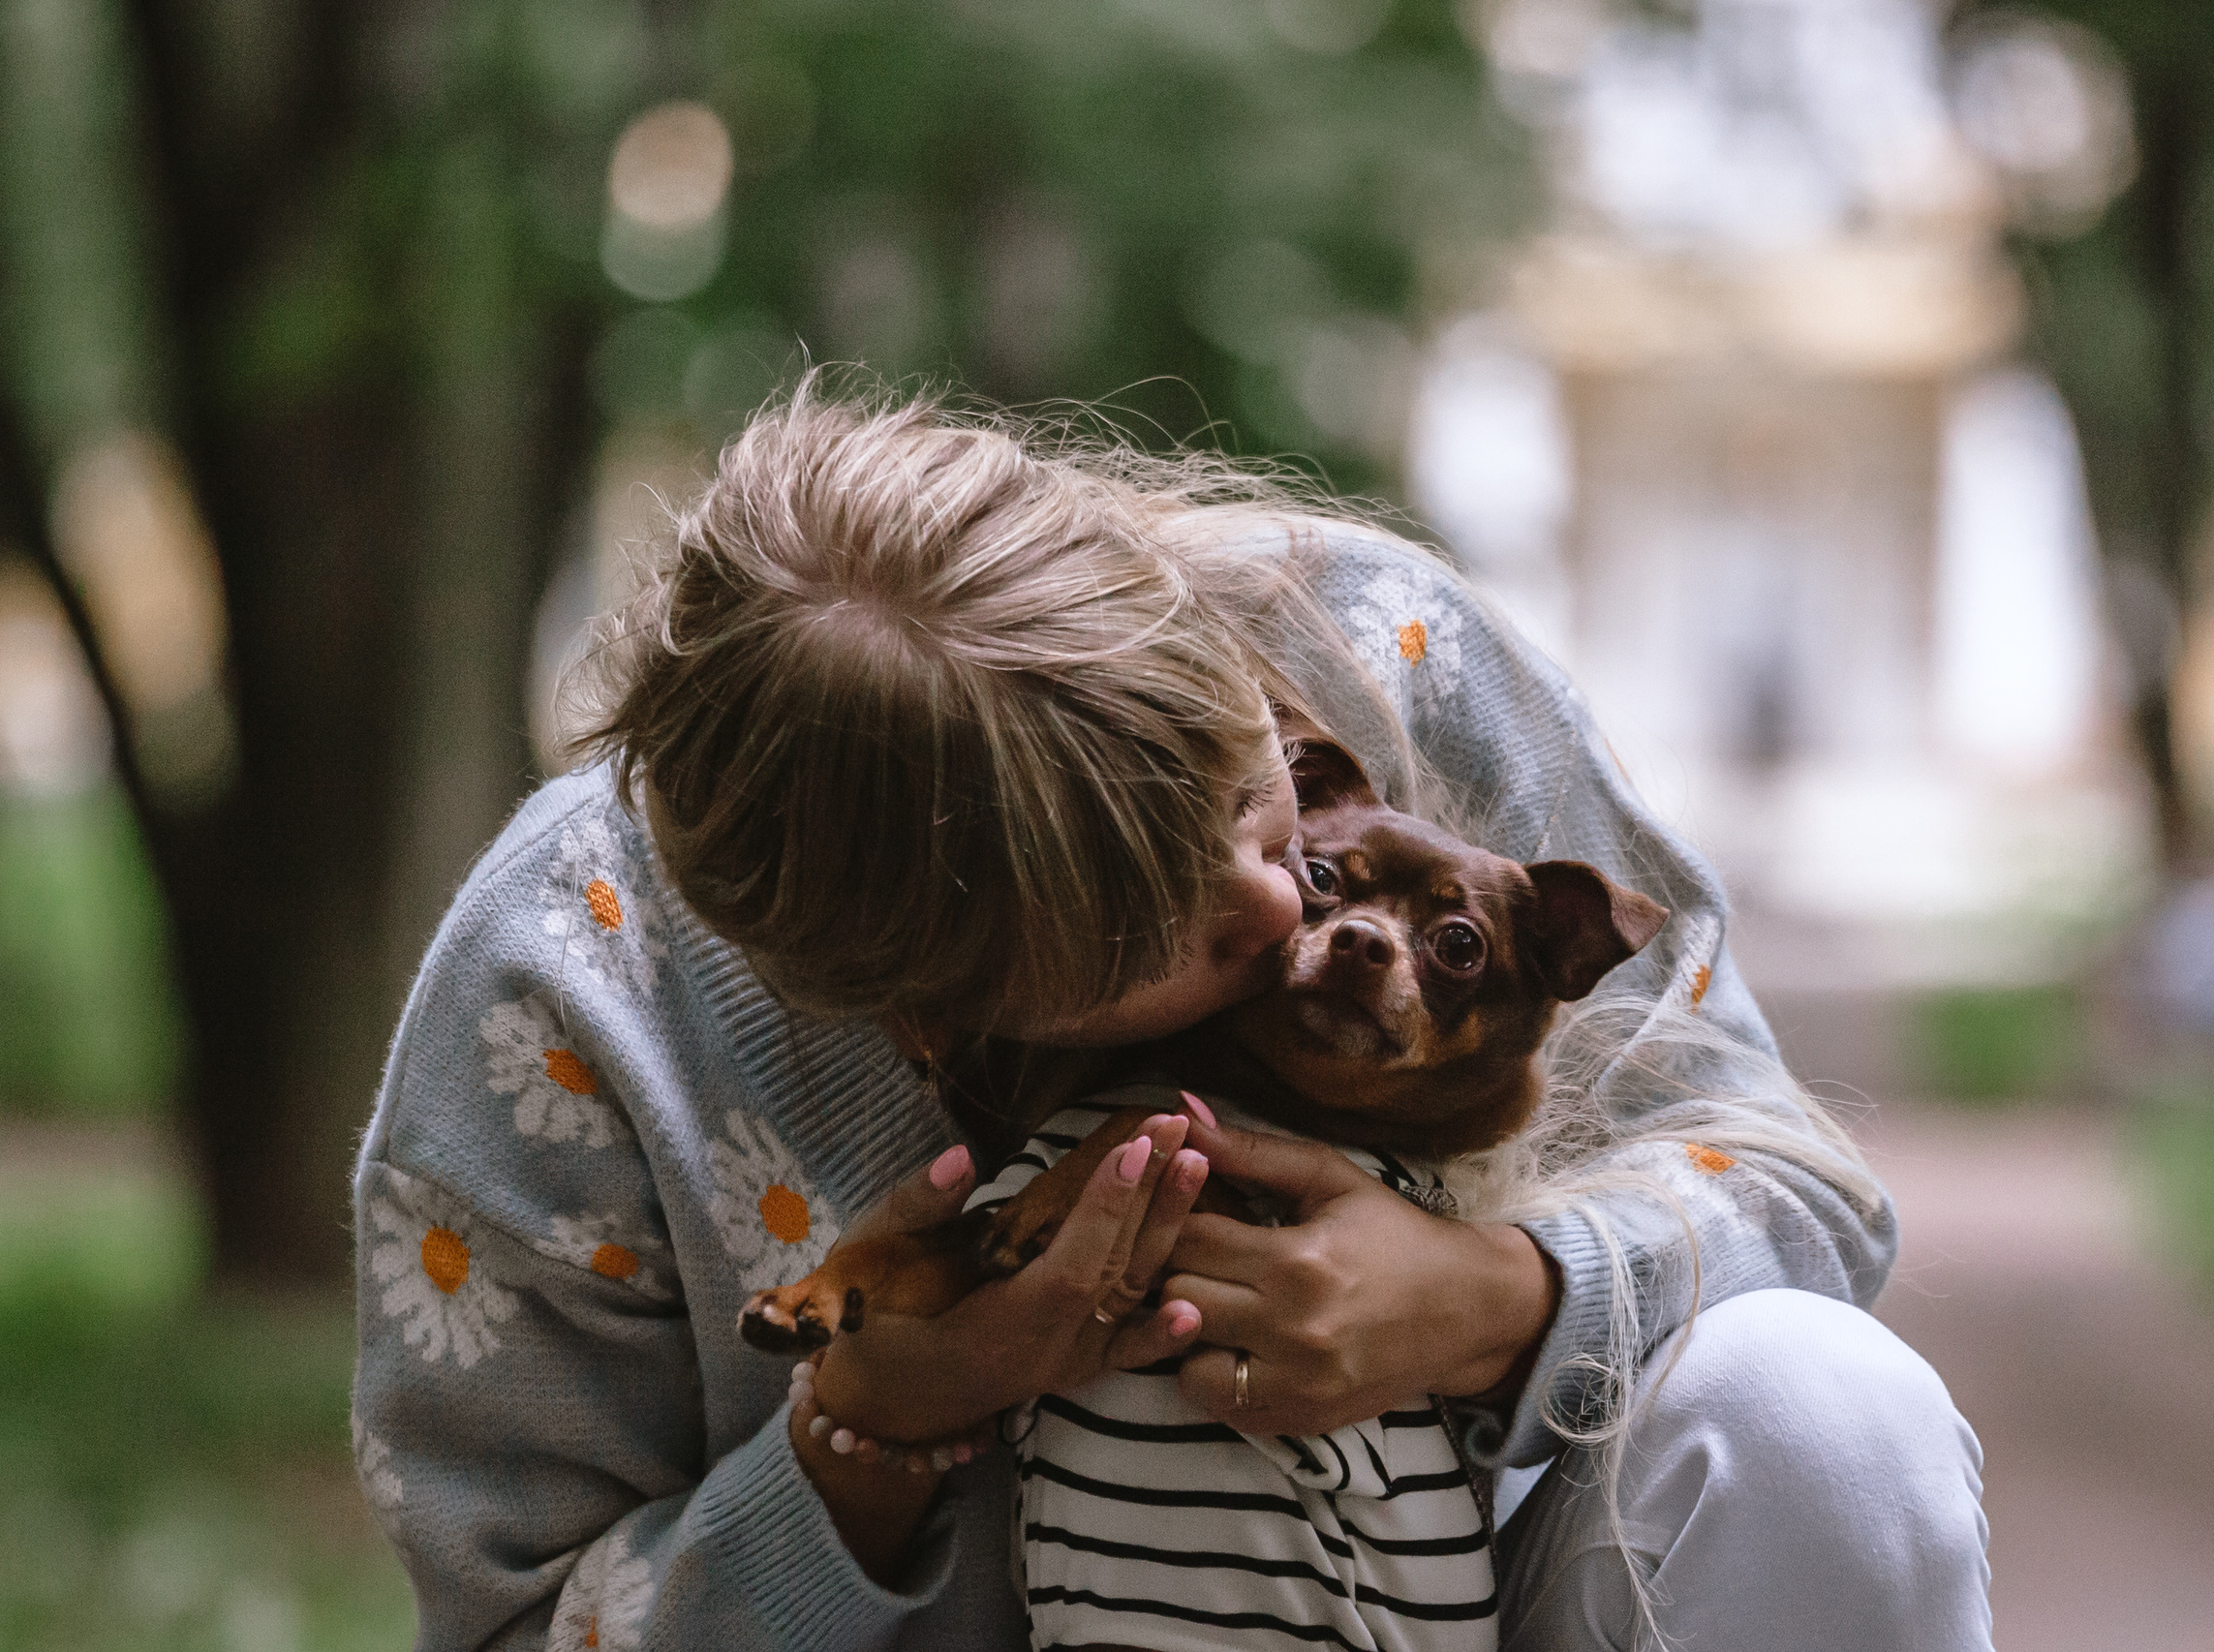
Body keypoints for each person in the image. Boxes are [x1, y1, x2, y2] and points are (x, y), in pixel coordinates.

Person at [352, 388, 1993, 1651]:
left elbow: (1804, 1191)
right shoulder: (570, 1003)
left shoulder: (1376, 659)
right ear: (933, 1019)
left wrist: (1494, 1297)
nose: (1292, 914)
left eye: (1264, 808)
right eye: (1165, 925)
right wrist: (878, 1432)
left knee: (1817, 1418)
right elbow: (517, 1622)